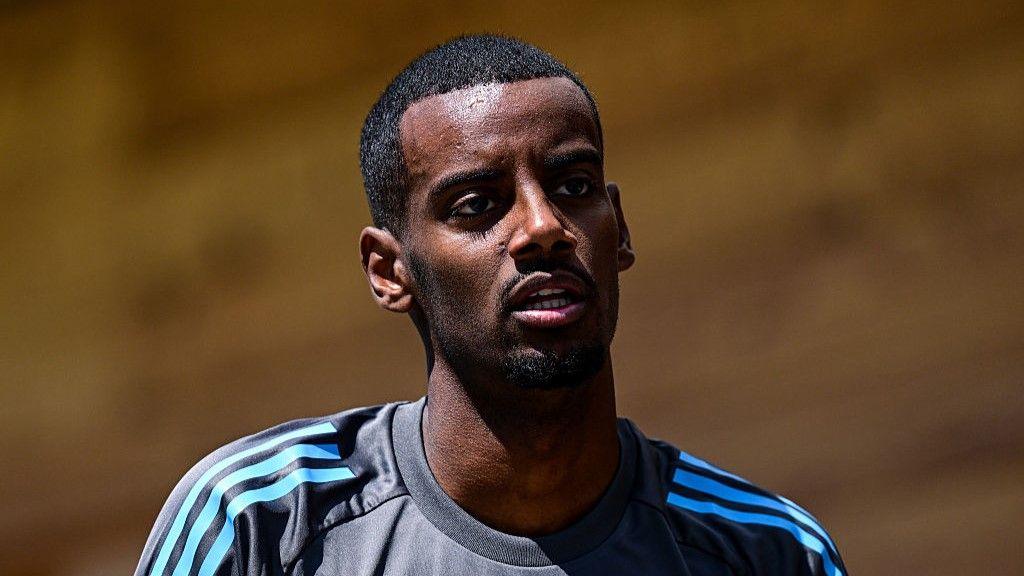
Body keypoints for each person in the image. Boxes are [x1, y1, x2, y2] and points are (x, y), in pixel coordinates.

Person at [135, 35, 847, 576]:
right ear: (390, 271)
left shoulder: (770, 550)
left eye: (573, 186)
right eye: (477, 205)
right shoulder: (261, 518)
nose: (542, 227)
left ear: (620, 229)